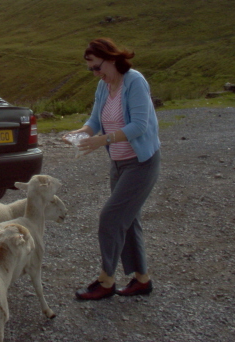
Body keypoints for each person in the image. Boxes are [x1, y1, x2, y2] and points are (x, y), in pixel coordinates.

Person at [64, 37, 161, 300]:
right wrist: (81, 132)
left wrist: (103, 140)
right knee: (128, 221)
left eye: (97, 67)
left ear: (112, 59)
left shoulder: (135, 82)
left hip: (141, 163)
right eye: (90, 70)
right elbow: (95, 119)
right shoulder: (103, 86)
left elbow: (139, 125)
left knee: (110, 218)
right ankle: (142, 280)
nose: (95, 73)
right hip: (118, 164)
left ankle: (106, 281)